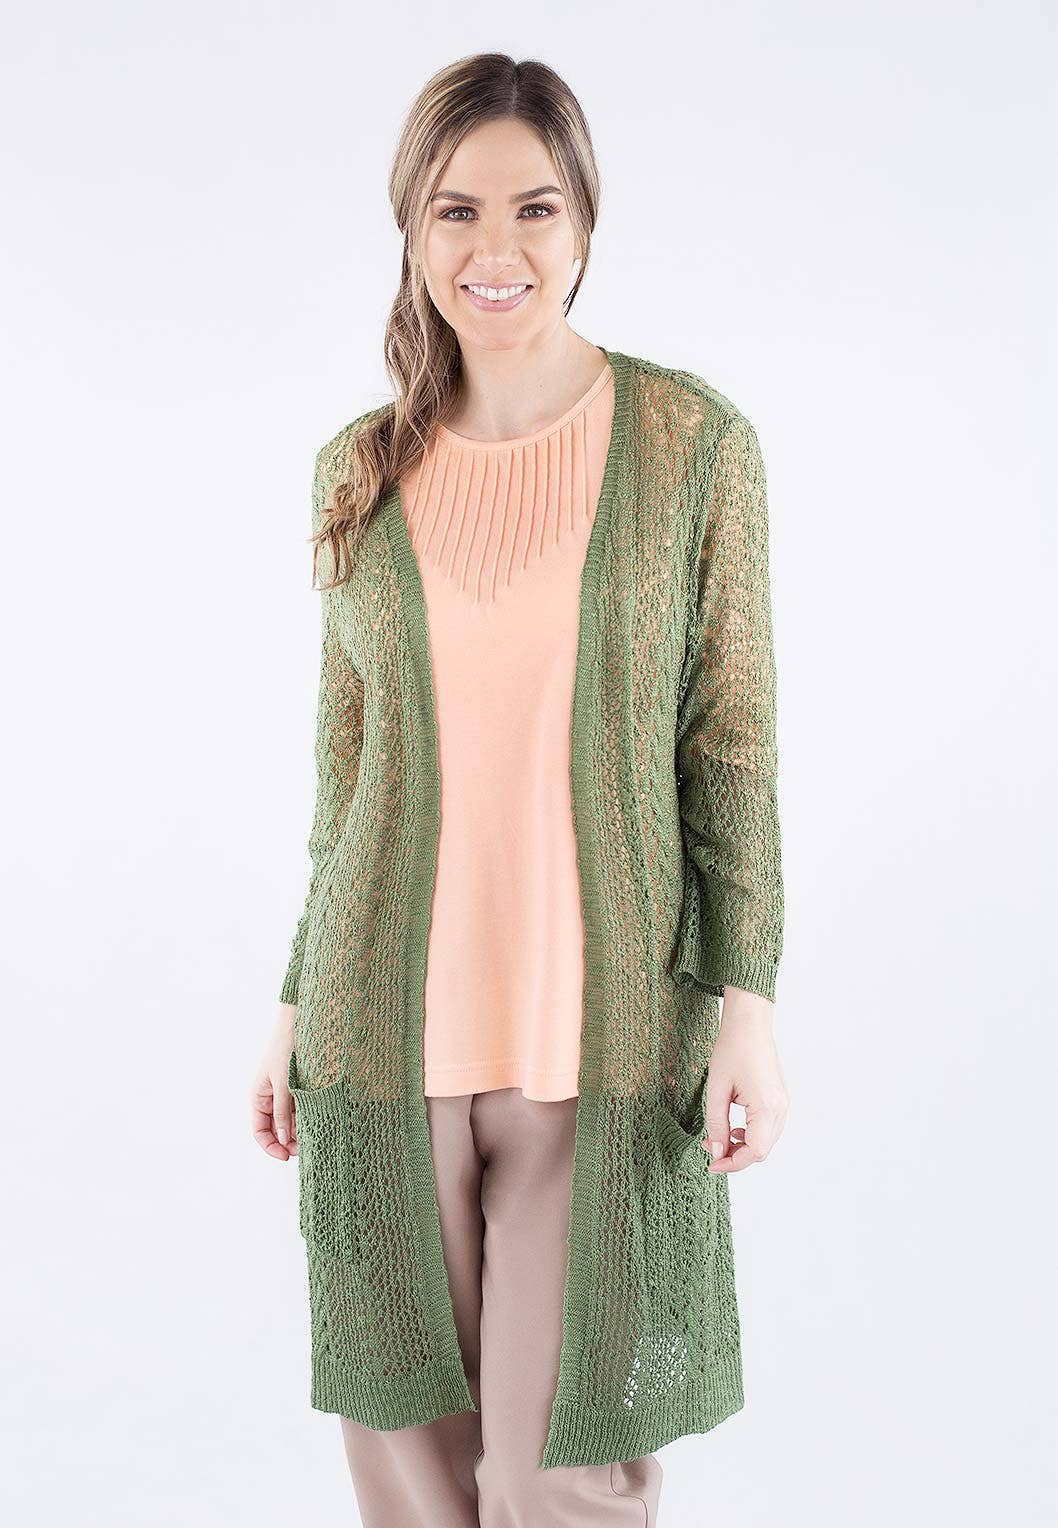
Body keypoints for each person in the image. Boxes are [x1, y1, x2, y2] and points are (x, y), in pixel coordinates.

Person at [250, 52, 789, 1528]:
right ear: (412, 229)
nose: (496, 248)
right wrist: (293, 1002)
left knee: (564, 1480)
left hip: (602, 1042)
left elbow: (730, 746)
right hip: (378, 1036)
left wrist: (745, 1007)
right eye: (457, 211)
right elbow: (348, 772)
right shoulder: (359, 471)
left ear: (586, 220)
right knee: (409, 1474)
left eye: (534, 207)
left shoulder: (691, 448)